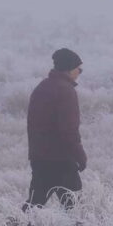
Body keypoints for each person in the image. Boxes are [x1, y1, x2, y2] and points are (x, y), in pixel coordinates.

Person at [22, 48, 87, 211]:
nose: (80, 72)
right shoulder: (66, 91)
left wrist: (36, 155)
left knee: (34, 205)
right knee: (74, 207)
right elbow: (69, 131)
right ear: (69, 68)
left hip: (39, 158)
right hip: (61, 161)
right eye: (79, 68)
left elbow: (33, 125)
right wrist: (80, 156)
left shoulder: (41, 88)